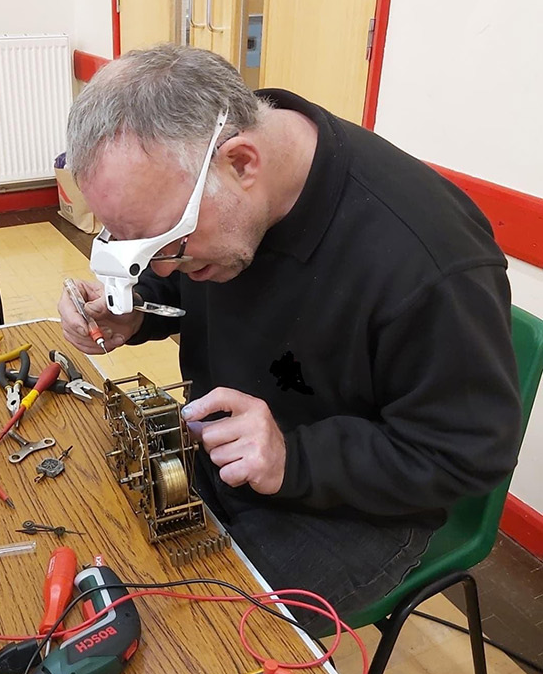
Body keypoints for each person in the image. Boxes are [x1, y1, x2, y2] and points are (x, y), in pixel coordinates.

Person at [57, 44, 521, 633]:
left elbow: (465, 453)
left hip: (360, 507)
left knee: (193, 646)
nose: (162, 267)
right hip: (225, 452)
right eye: (140, 250)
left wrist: (291, 459)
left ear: (242, 164)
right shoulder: (224, 178)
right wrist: (135, 312)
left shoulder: (428, 262)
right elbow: (195, 280)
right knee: (101, 550)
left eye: (166, 246)